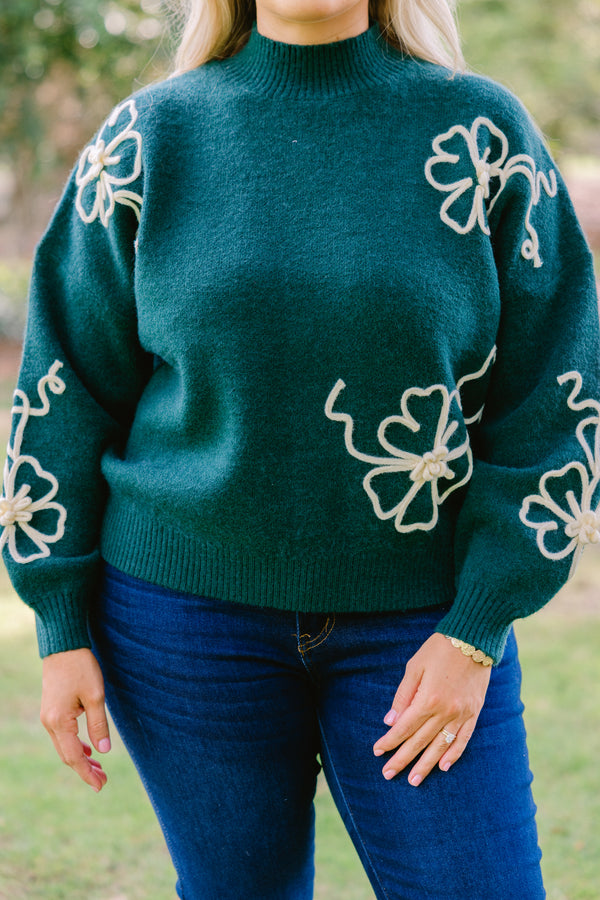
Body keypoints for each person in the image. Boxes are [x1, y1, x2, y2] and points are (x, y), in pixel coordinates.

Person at [2, 0, 599, 896]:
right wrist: (58, 623)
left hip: (421, 627)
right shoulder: (152, 140)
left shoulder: (480, 135)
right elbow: (65, 386)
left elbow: (559, 393)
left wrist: (476, 629)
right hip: (181, 624)